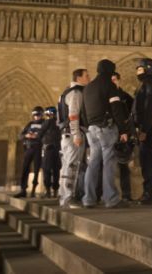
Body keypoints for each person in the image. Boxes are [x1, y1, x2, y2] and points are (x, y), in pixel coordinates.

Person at [81, 59, 131, 208]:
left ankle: (88, 199)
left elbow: (83, 111)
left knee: (93, 163)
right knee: (109, 163)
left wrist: (89, 126)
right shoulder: (109, 86)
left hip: (92, 129)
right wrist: (123, 130)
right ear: (110, 71)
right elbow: (116, 109)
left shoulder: (88, 88)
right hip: (106, 128)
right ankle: (111, 199)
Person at [132, 58, 152, 205]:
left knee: (148, 159)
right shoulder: (148, 85)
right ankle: (147, 191)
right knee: (146, 158)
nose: (137, 72)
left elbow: (151, 109)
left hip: (149, 128)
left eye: (139, 68)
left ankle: (149, 192)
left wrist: (144, 129)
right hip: (147, 127)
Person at [57, 68, 90, 208]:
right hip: (73, 134)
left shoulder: (64, 93)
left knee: (66, 165)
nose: (89, 78)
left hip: (65, 134)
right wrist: (76, 133)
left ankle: (64, 196)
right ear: (78, 78)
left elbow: (60, 118)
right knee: (73, 166)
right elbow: (73, 114)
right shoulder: (76, 93)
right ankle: (69, 197)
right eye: (86, 76)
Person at [110, 71, 136, 201]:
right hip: (110, 132)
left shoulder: (126, 97)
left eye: (115, 80)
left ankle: (126, 194)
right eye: (111, 80)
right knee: (107, 164)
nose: (113, 82)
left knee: (123, 165)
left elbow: (133, 114)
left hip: (123, 134)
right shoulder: (107, 96)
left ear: (119, 80)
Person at [14, 107, 46, 198]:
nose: (36, 117)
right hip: (29, 147)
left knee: (37, 169)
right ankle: (23, 189)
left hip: (39, 148)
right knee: (25, 168)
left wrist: (37, 136)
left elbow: (47, 135)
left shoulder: (44, 123)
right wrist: (26, 135)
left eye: (38, 115)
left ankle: (34, 190)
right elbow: (21, 135)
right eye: (35, 115)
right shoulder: (30, 124)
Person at [40, 107, 62, 198]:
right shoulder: (59, 122)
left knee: (47, 169)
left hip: (48, 148)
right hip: (58, 148)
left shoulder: (47, 122)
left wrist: (43, 142)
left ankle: (48, 191)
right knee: (56, 170)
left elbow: (40, 133)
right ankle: (55, 191)